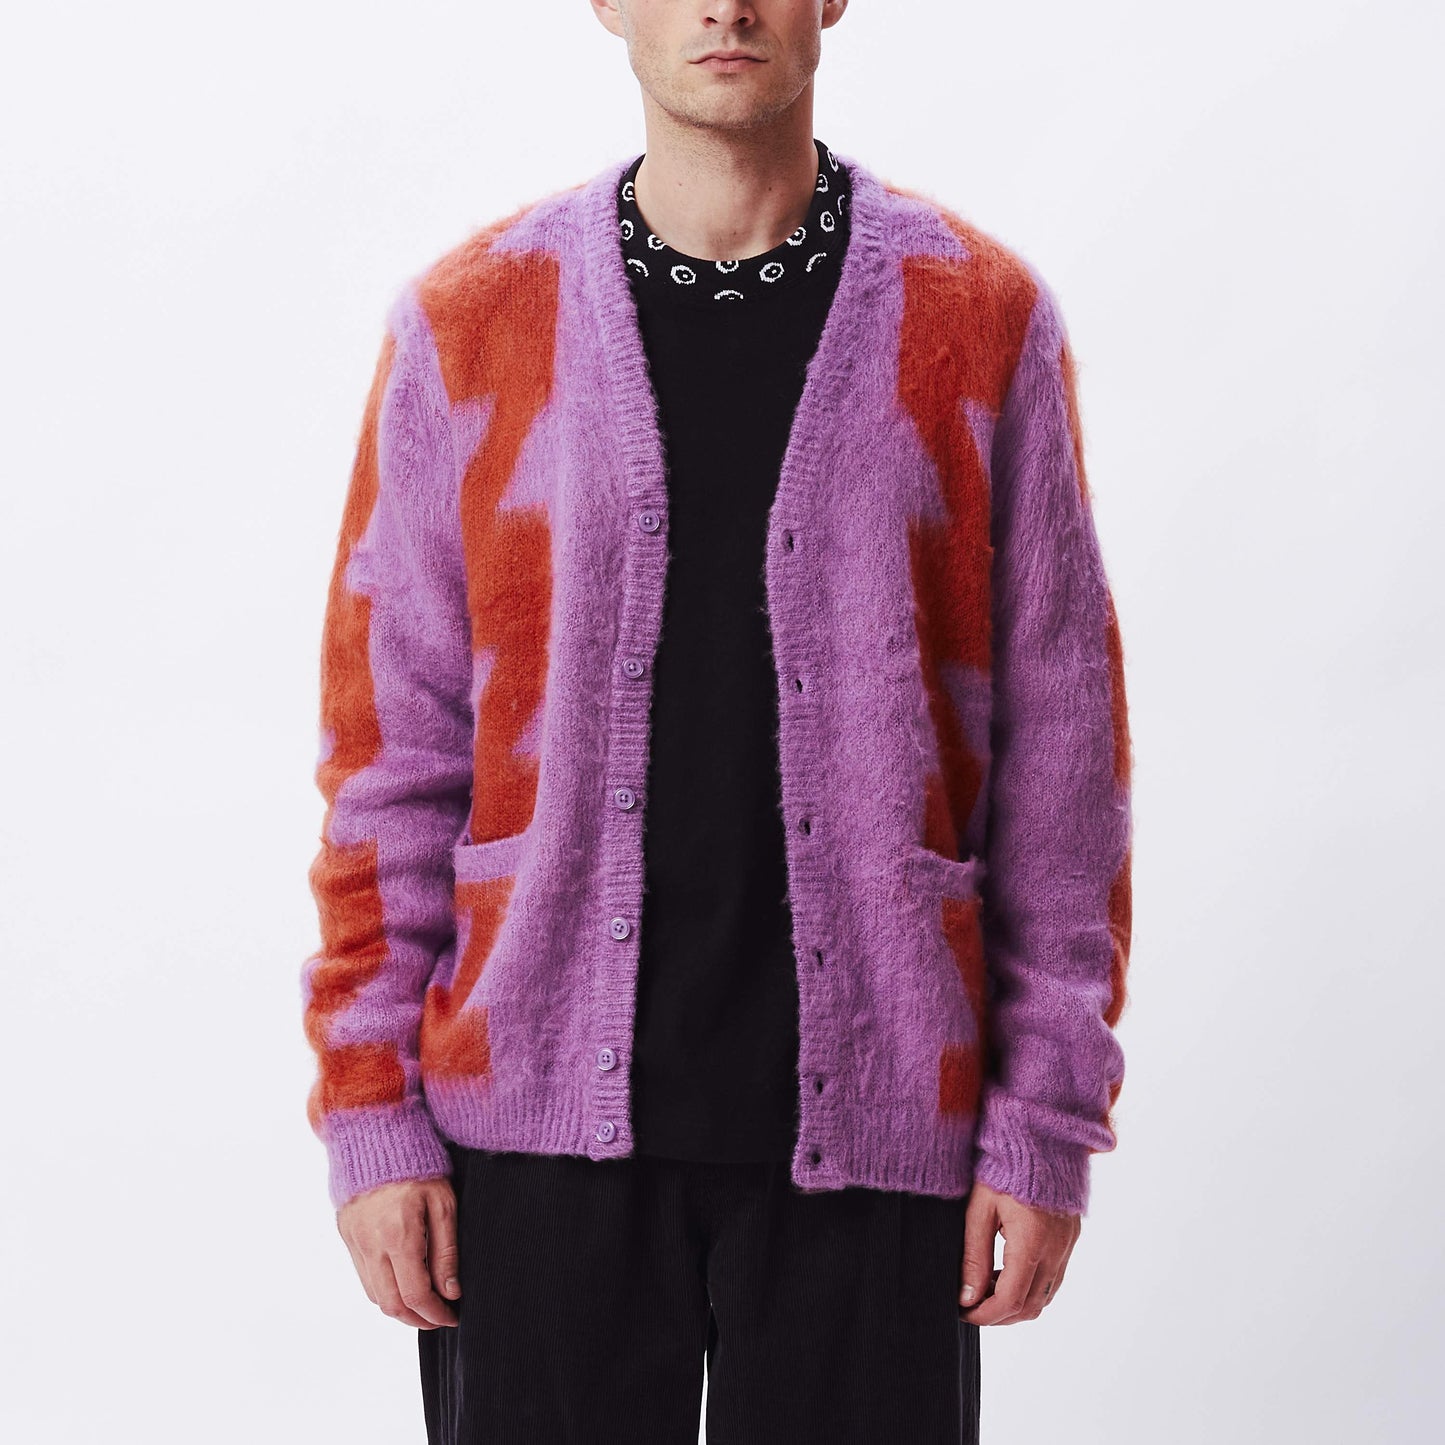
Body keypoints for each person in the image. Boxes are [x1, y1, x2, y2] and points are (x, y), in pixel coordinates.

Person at [298, 2, 1134, 1440]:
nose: (724, 5)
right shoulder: (471, 323)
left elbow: (1063, 766)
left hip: (882, 1125)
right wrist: (370, 1107)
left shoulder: (978, 320)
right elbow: (392, 759)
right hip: (529, 1129)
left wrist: (1046, 1118)